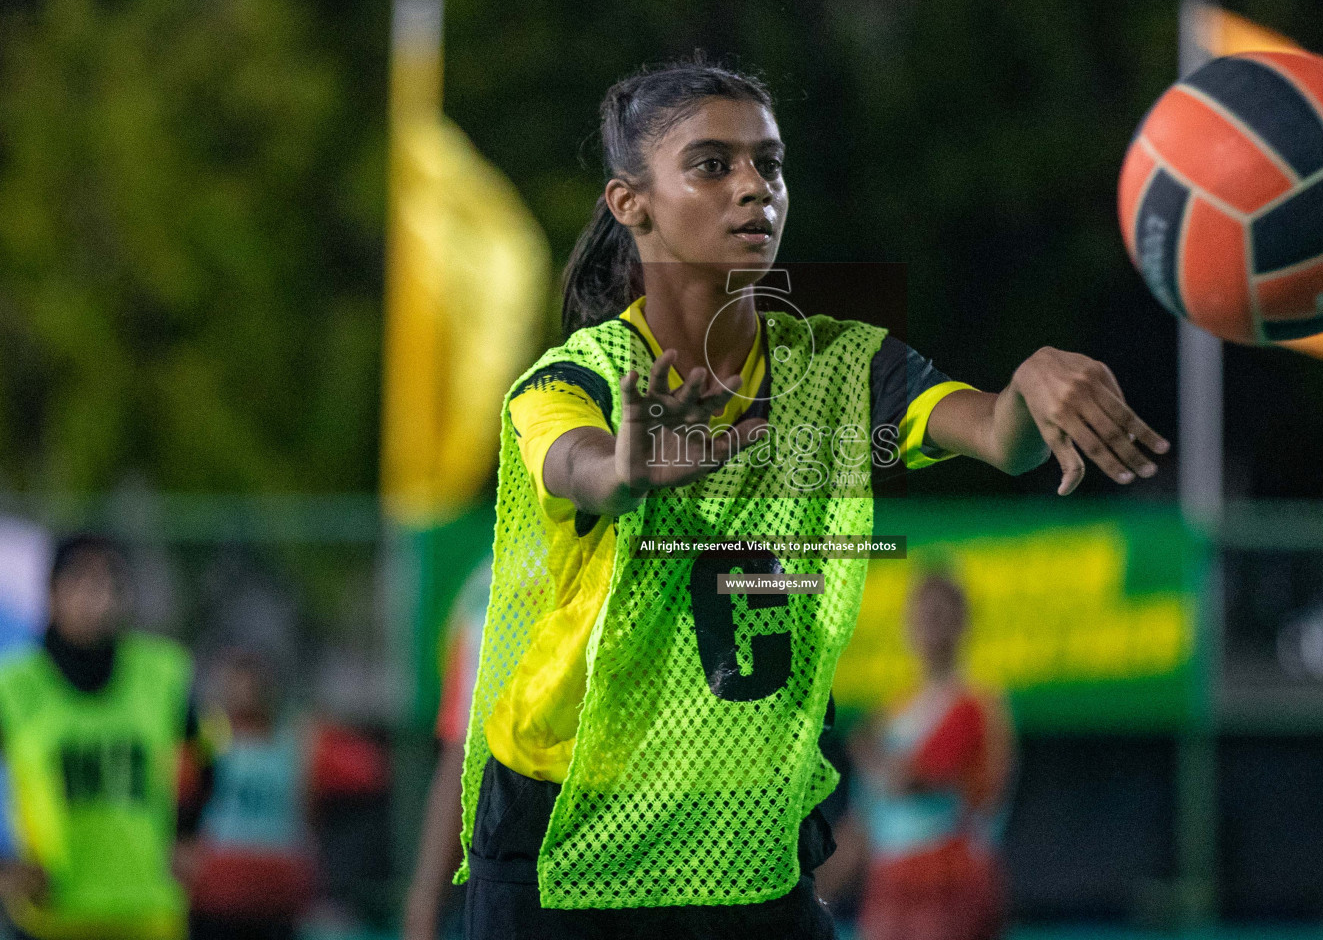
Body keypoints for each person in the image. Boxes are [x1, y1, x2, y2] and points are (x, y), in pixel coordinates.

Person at [457, 57, 1168, 940]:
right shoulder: (576, 378)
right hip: (572, 837)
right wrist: (625, 470)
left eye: (770, 163)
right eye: (713, 165)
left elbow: (996, 436)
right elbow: (577, 466)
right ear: (628, 203)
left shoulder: (839, 367)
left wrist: (1029, 388)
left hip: (745, 835)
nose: (755, 187)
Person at [0, 534, 206, 940]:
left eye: (110, 584)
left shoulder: (160, 674)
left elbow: (203, 754)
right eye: (81, 583)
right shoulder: (15, 684)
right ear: (53, 592)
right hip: (51, 912)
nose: (97, 599)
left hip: (145, 907)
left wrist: (187, 834)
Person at [822, 572, 1014, 940]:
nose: (931, 626)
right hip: (891, 881)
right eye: (923, 615)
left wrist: (869, 753)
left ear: (964, 622)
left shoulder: (976, 705)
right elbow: (865, 819)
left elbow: (914, 780)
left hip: (948, 879)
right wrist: (819, 893)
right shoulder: (892, 713)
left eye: (941, 615)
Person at [185, 649, 318, 940]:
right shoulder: (208, 737)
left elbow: (305, 810)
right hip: (217, 890)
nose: (246, 692)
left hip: (276, 892)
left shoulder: (292, 740)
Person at [402, 558, 490, 940]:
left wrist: (424, 898)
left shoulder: (486, 583)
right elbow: (464, 754)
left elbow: (462, 755)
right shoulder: (493, 587)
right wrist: (425, 899)